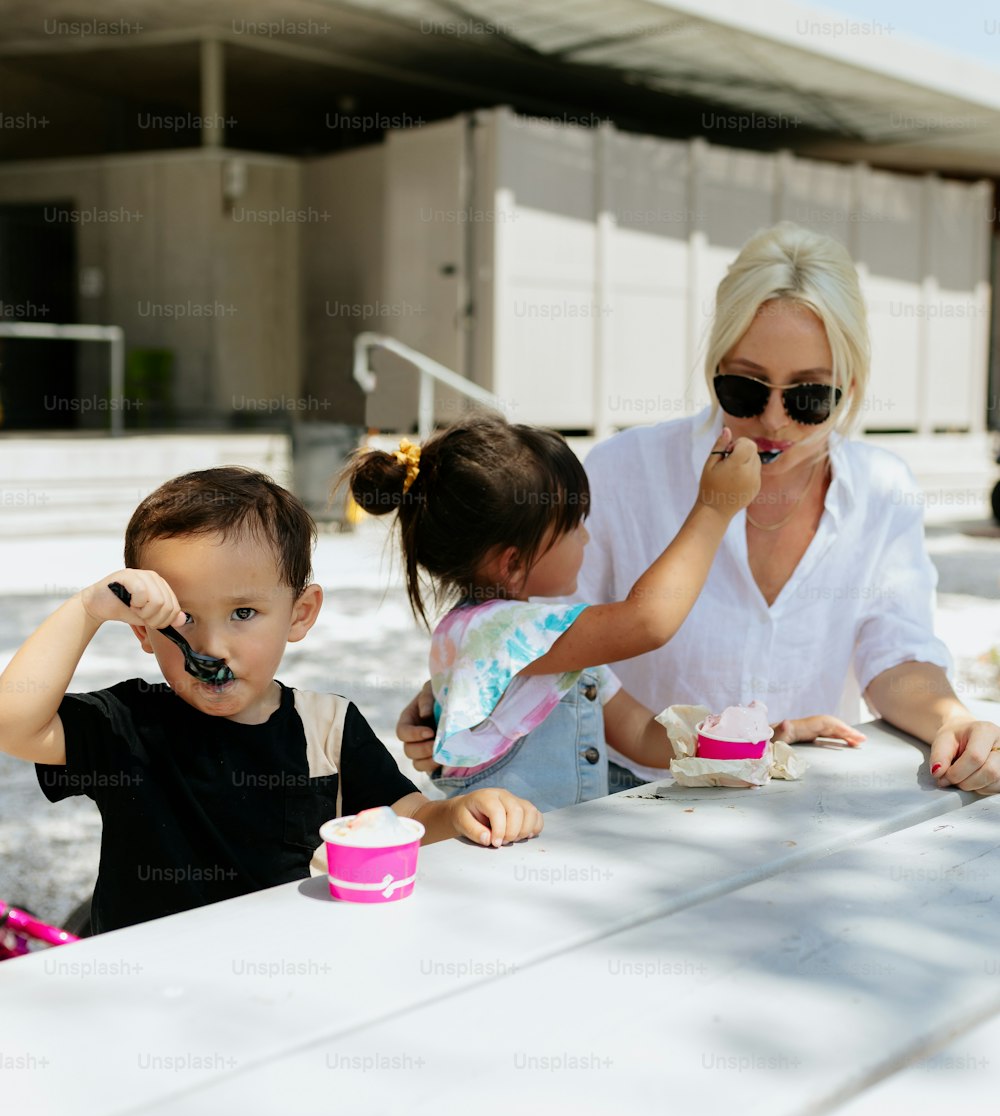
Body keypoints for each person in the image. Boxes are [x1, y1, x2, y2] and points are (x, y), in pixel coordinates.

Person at [397, 221, 1000, 796]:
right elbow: (546, 631)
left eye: (811, 396)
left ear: (852, 382)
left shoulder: (881, 487)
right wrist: (477, 689)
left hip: (801, 792)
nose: (773, 420)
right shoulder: (621, 471)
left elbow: (896, 652)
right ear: (713, 367)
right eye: (744, 387)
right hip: (627, 797)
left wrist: (951, 719)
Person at [0, 468, 542, 935]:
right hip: (146, 989)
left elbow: (406, 816)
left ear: (300, 614)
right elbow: (14, 724)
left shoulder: (326, 728)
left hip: (281, 983)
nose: (212, 646)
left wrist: (458, 812)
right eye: (181, 619)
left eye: (243, 614)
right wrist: (87, 609)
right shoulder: (130, 725)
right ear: (144, 631)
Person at [350, 416, 850, 812]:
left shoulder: (553, 638)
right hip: (501, 868)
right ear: (513, 560)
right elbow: (647, 622)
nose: (586, 538)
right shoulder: (491, 633)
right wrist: (715, 508)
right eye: (573, 527)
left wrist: (754, 742)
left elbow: (642, 735)